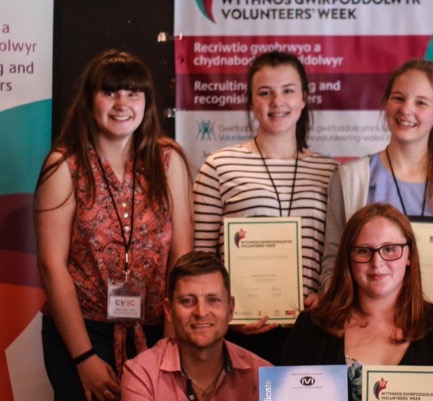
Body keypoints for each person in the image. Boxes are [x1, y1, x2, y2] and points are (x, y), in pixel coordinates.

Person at [35, 49, 193, 401]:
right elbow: (51, 265)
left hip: (157, 330)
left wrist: (169, 346)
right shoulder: (65, 165)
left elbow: (181, 259)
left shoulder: (169, 161)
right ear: (89, 100)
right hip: (81, 333)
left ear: (147, 102)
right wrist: (84, 357)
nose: (122, 104)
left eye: (133, 93)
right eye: (110, 92)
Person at [319, 59, 433, 342]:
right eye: (398, 98)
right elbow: (332, 264)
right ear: (386, 104)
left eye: (420, 102)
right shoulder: (351, 179)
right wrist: (339, 315)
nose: (406, 109)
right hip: (363, 334)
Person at [192, 51, 338, 364]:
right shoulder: (218, 166)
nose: (277, 102)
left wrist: (327, 296)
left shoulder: (331, 172)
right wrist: (224, 313)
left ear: (303, 99)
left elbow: (337, 254)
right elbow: (201, 260)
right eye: (264, 92)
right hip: (241, 333)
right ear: (251, 102)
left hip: (313, 329)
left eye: (288, 91)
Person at [282, 203, 433, 401]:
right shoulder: (311, 327)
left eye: (389, 249)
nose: (377, 262)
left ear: (409, 255)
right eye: (364, 251)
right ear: (348, 257)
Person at [121, 251, 272, 400]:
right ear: (169, 310)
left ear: (230, 309)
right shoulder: (142, 374)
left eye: (213, 300)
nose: (201, 312)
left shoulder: (265, 376)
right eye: (187, 301)